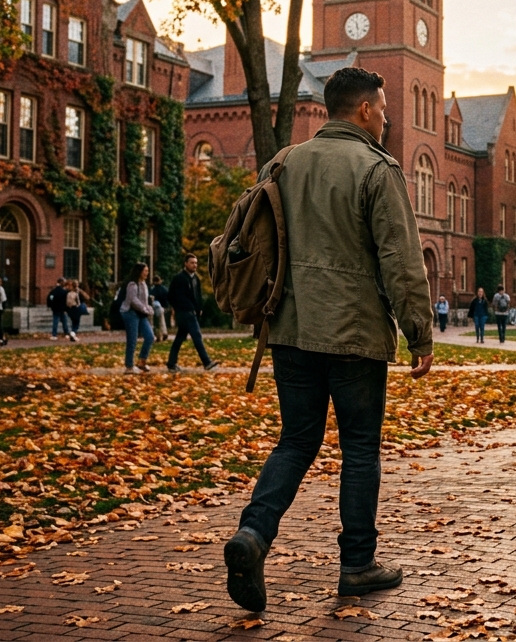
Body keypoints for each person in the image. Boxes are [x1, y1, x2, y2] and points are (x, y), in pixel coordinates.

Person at [226, 67, 434, 613]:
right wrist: (419, 332)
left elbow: (248, 236)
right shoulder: (376, 168)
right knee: (360, 447)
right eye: (384, 109)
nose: (387, 119)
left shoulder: (284, 161)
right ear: (363, 110)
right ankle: (358, 565)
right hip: (354, 334)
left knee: (296, 441)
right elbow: (401, 259)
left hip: (290, 329)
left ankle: (253, 535)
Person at [167, 254, 217, 372]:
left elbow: (198, 296)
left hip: (192, 313)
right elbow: (173, 296)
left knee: (179, 338)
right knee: (197, 336)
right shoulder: (179, 278)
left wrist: (199, 308)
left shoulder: (196, 278)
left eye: (196, 263)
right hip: (185, 313)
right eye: (192, 263)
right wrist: (181, 308)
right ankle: (207, 362)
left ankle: (171, 363)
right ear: (186, 263)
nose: (194, 265)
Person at [120, 263, 155, 374]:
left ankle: (141, 361)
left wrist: (148, 308)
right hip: (130, 313)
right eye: (145, 271)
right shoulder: (132, 284)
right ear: (139, 271)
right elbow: (133, 300)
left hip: (140, 313)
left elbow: (144, 301)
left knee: (150, 337)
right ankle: (129, 366)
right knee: (132, 340)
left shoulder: (144, 284)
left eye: (147, 270)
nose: (147, 273)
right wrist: (145, 309)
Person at [150, 275, 171, 341]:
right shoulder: (164, 289)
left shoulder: (152, 290)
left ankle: (158, 335)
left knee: (155, 322)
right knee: (162, 321)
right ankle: (164, 333)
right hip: (162, 307)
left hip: (154, 307)